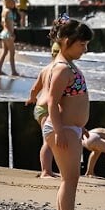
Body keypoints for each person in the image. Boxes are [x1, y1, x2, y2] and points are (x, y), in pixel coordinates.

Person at [43, 17, 93, 210]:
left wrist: (78, 125)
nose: (85, 48)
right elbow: (52, 101)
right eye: (81, 44)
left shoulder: (67, 66)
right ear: (65, 41)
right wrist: (61, 128)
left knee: (68, 179)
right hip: (60, 128)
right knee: (70, 179)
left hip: (68, 127)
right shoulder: (62, 68)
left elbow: (69, 101)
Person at [25, 44, 60, 178]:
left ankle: (49, 170)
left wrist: (32, 99)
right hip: (46, 109)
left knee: (49, 139)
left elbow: (34, 89)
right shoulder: (59, 70)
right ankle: (46, 171)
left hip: (39, 107)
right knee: (48, 141)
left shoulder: (45, 69)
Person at [0, 0, 20, 76]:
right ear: (8, 1)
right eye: (13, 2)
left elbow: (2, 23)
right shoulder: (8, 11)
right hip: (8, 33)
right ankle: (13, 71)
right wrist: (12, 33)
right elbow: (8, 23)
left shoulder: (4, 10)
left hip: (3, 33)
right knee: (12, 52)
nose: (14, 4)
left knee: (5, 51)